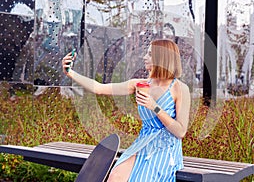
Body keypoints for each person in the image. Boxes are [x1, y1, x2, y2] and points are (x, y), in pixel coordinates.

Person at [62, 39, 191, 181]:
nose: (144, 57)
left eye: (149, 54)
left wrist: (154, 106)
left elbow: (180, 131)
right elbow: (98, 88)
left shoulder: (180, 89)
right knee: (115, 177)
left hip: (165, 147)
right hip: (143, 142)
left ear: (161, 59)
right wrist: (70, 73)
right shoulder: (140, 84)